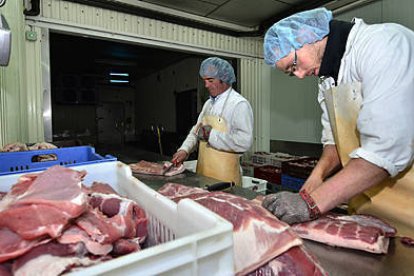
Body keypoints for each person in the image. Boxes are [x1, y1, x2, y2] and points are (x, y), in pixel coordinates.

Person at [262, 7, 414, 236]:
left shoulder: (384, 44)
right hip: (370, 210)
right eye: (291, 73)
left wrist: (312, 204)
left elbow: (386, 151)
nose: (300, 75)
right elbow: (335, 142)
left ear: (307, 35)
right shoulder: (327, 81)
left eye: (294, 65)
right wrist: (314, 181)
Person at [171, 57, 254, 185]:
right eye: (204, 80)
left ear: (224, 80)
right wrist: (184, 149)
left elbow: (244, 141)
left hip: (225, 179)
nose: (206, 85)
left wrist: (212, 135)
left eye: (210, 80)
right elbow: (196, 131)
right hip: (203, 174)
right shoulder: (208, 104)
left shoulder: (239, 104)